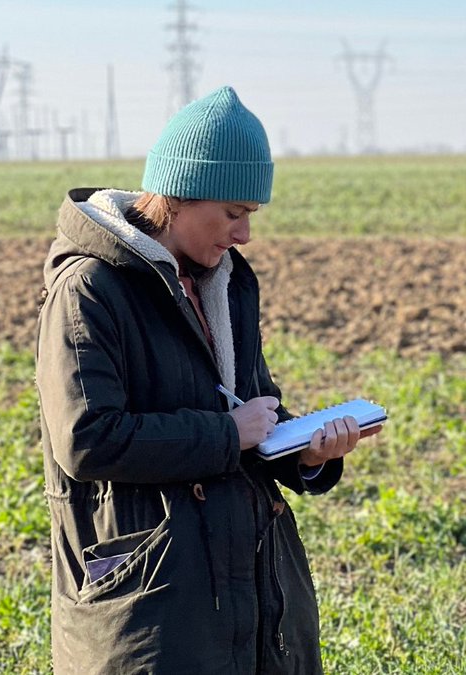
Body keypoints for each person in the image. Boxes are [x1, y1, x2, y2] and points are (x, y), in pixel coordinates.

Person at [36, 85, 380, 673]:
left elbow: (252, 413)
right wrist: (228, 433)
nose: (244, 234)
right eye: (233, 213)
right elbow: (88, 438)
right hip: (152, 599)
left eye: (250, 216)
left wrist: (305, 454)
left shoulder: (228, 285)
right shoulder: (89, 290)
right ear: (177, 196)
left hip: (247, 588)